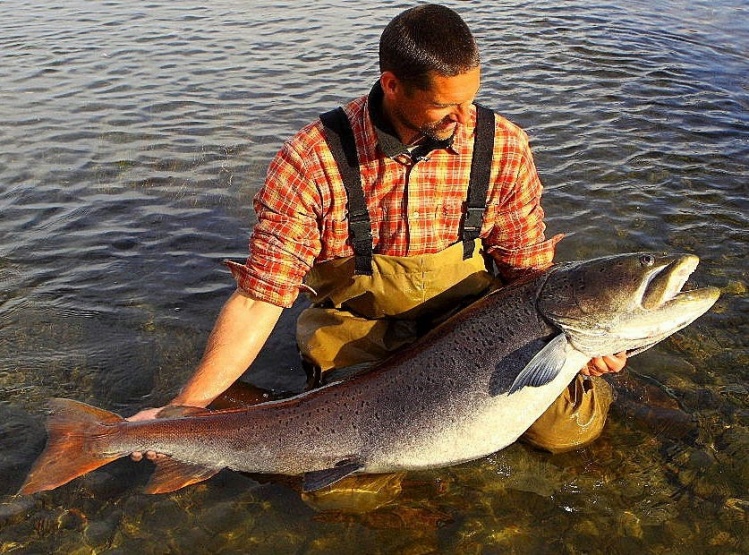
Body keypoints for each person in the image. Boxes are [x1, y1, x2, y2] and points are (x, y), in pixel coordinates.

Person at [130, 5, 625, 462]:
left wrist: (585, 341)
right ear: (392, 85)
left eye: (470, 100)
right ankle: (232, 414)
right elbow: (261, 298)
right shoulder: (310, 160)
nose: (464, 119)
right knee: (347, 486)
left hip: (469, 328)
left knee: (568, 432)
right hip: (360, 334)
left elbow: (529, 274)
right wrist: (186, 407)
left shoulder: (502, 146)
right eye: (444, 106)